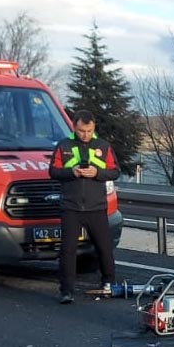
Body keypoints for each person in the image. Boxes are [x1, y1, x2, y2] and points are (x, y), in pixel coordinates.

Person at [48, 110, 120, 304]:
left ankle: (109, 283)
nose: (85, 135)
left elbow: (115, 172)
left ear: (94, 127)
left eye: (89, 130)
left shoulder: (103, 146)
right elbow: (53, 171)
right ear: (74, 127)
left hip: (96, 206)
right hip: (71, 206)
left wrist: (96, 173)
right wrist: (71, 172)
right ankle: (66, 291)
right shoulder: (63, 145)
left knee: (104, 248)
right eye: (81, 131)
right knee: (68, 250)